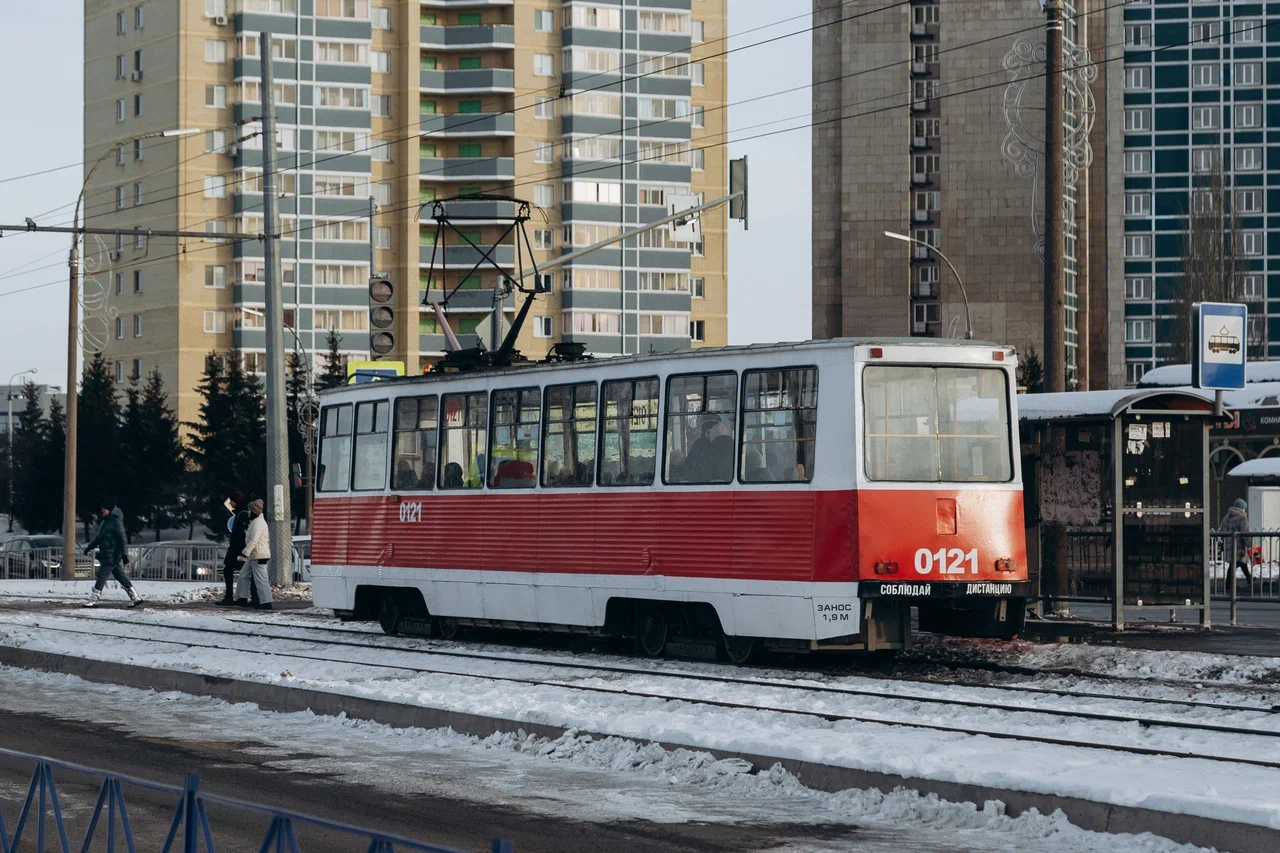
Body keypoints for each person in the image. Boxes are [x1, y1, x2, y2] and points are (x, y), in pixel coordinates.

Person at [82, 499, 142, 608]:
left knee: (101, 576)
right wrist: (89, 547)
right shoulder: (106, 521)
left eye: (104, 509)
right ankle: (136, 597)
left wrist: (124, 555)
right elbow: (99, 538)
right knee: (120, 576)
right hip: (106, 554)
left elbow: (122, 539)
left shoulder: (116, 522)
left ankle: (93, 600)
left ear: (109, 510)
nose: (102, 511)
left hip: (112, 555)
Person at [235, 499, 274, 610]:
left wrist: (244, 553)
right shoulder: (256, 522)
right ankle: (242, 598)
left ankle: (266, 602)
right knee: (243, 575)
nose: (248, 512)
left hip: (259, 555)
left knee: (261, 579)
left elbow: (253, 540)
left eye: (249, 510)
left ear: (254, 511)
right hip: (255, 555)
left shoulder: (258, 523)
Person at [217, 491, 254, 607]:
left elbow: (246, 530)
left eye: (232, 501)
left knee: (231, 570)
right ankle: (244, 597)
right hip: (237, 547)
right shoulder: (239, 511)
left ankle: (231, 597)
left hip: (238, 548)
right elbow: (226, 504)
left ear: (236, 502)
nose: (230, 503)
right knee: (242, 572)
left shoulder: (241, 514)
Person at [1220, 498, 1253, 586]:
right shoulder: (1242, 517)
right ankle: (1228, 586)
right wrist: (1249, 544)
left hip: (1229, 546)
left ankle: (1249, 579)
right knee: (1236, 564)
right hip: (1238, 546)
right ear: (1242, 508)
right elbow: (1245, 533)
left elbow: (1221, 530)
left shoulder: (1227, 517)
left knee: (1240, 563)